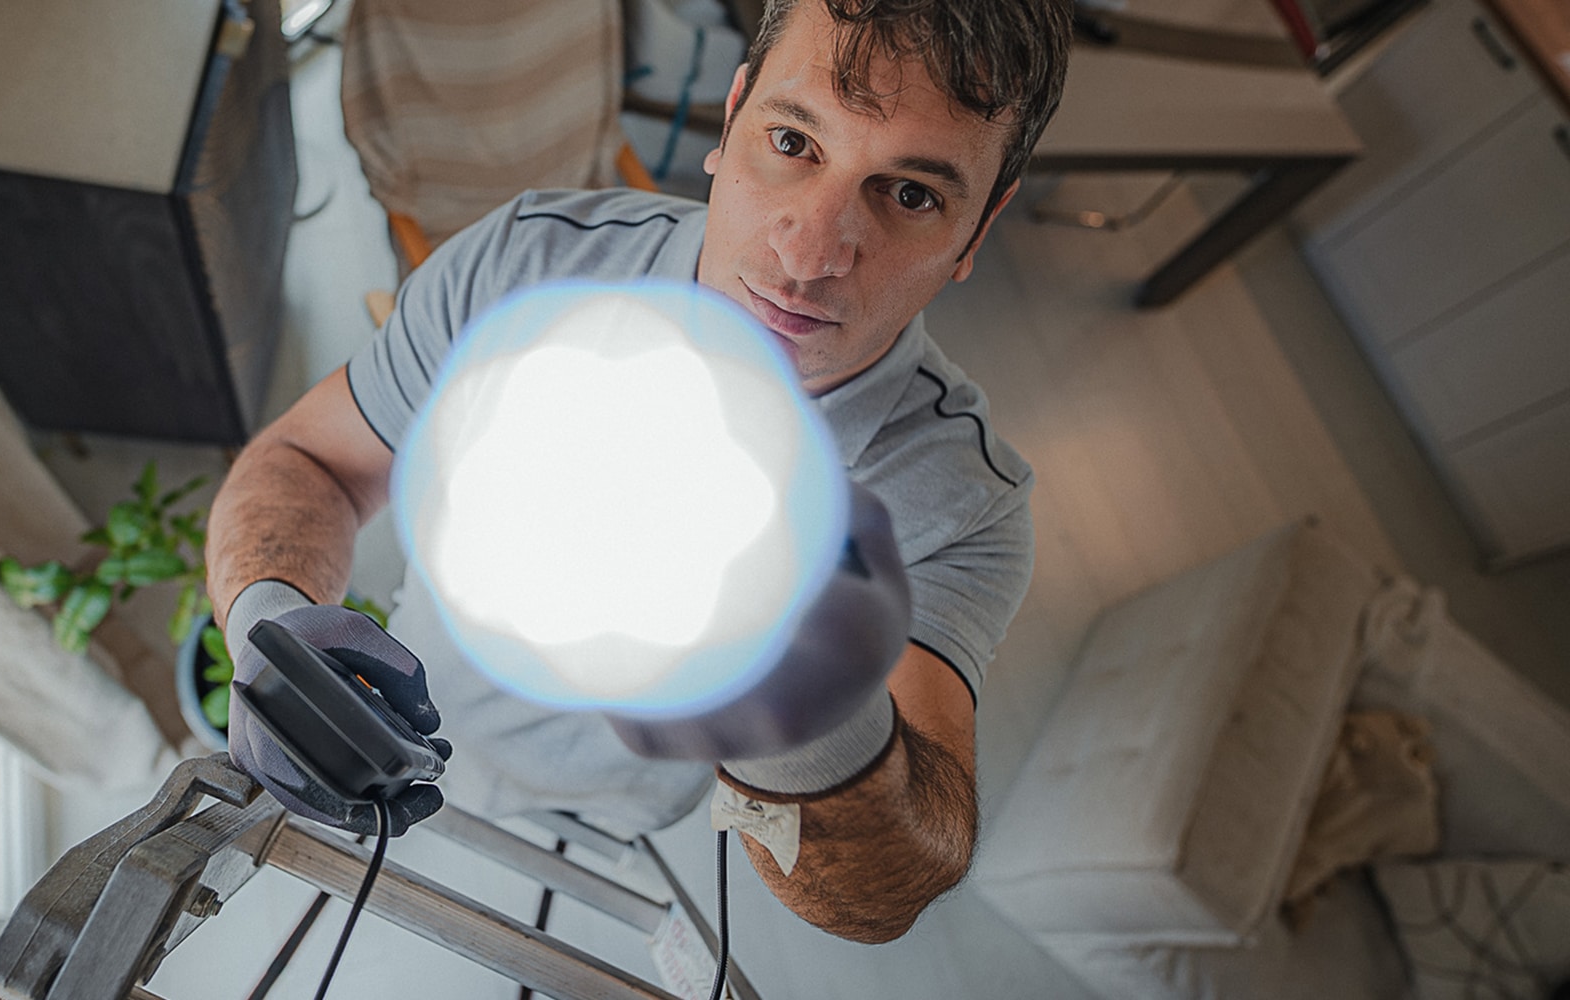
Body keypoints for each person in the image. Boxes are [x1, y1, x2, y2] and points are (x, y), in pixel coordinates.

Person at [206, 0, 1072, 944]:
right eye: (792, 139)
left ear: (977, 230)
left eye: (909, 195)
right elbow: (309, 460)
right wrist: (272, 628)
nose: (807, 254)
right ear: (733, 113)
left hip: (597, 830)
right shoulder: (527, 263)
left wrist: (809, 723)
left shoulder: (954, 504)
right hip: (396, 709)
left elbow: (883, 892)